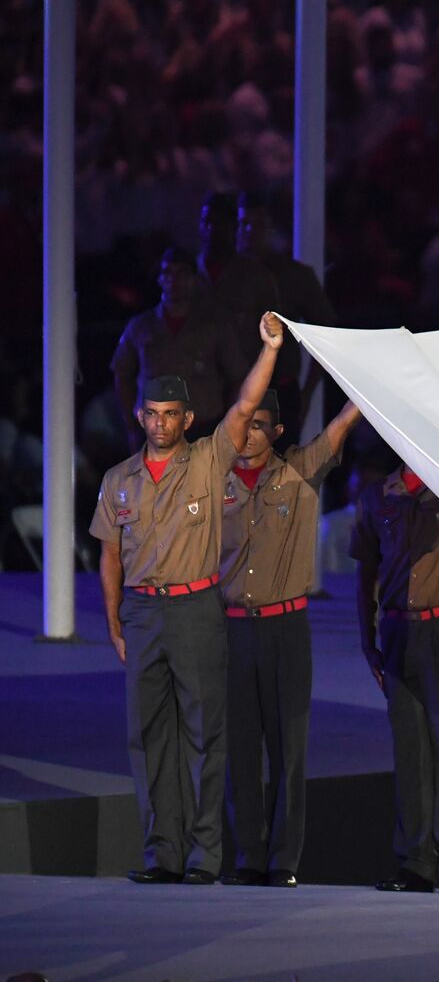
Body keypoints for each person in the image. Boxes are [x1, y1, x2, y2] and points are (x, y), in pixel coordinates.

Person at [89, 312, 284, 885]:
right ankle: (162, 856)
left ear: (187, 419)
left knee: (203, 734)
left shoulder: (205, 460)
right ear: (139, 415)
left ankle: (203, 857)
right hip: (144, 611)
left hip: (197, 608)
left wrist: (269, 348)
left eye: (172, 415)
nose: (161, 423)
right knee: (149, 739)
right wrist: (114, 623)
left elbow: (246, 407)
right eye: (153, 414)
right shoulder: (118, 478)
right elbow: (109, 556)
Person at [218, 391, 361, 887]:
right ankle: (248, 857)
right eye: (244, 424)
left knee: (287, 747)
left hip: (286, 628)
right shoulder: (217, 479)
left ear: (276, 432)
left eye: (260, 425)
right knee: (240, 747)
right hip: (233, 625)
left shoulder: (299, 471)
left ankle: (284, 859)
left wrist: (363, 385)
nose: (249, 433)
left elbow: (341, 425)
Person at [351, 463, 439, 896]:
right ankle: (416, 861)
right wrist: (367, 637)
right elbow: (365, 572)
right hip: (396, 629)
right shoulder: (377, 495)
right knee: (410, 751)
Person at [111, 247, 246, 449]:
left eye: (182, 273)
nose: (174, 280)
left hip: (202, 428)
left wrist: (228, 427)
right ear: (159, 279)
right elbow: (122, 374)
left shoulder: (214, 325)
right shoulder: (141, 326)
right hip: (153, 432)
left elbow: (236, 375)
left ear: (193, 278)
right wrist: (131, 428)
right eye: (167, 273)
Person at [235, 191, 337, 439]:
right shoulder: (224, 278)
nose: (250, 231)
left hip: (280, 390)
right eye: (244, 223)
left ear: (270, 228)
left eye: (258, 224)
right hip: (233, 390)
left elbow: (325, 332)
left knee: (280, 471)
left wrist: (306, 393)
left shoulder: (294, 276)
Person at [197, 192, 280, 368]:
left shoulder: (257, 278)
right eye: (207, 222)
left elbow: (274, 336)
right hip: (199, 382)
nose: (212, 229)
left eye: (219, 222)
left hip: (244, 380)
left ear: (233, 226)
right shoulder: (187, 275)